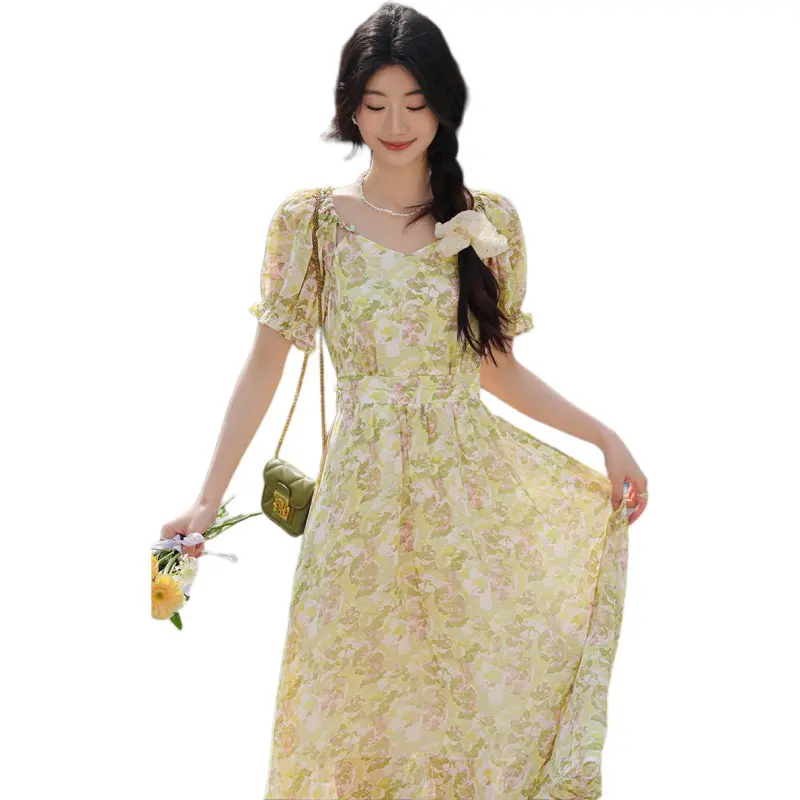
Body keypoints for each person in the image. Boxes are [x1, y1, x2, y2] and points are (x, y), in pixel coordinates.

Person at [161, 3, 648, 797]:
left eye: (415, 104)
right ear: (349, 107)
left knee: (470, 696)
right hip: (360, 503)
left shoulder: (487, 221)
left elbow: (496, 369)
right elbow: (265, 364)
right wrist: (206, 499)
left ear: (443, 106)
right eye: (377, 103)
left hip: (469, 499)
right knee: (346, 695)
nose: (396, 124)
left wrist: (604, 437)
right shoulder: (310, 223)